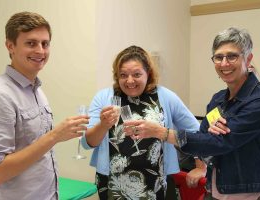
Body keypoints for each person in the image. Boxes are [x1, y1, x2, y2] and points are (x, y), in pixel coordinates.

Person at [124, 27, 260, 199]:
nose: (224, 64)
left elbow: (218, 143)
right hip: (217, 188)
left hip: (250, 191)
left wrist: (161, 132)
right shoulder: (218, 100)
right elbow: (203, 140)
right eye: (218, 57)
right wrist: (205, 153)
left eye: (232, 56)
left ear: (248, 59)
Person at [0, 12, 89, 200]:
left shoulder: (36, 91)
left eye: (45, 44)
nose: (40, 51)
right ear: (10, 46)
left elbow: (36, 151)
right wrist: (54, 136)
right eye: (31, 43)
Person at [81, 45, 206, 199]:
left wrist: (201, 166)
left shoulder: (166, 97)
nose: (130, 81)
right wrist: (103, 125)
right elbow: (87, 143)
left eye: (137, 74)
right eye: (123, 75)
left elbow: (198, 134)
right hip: (114, 185)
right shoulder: (104, 98)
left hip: (158, 183)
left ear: (149, 73)